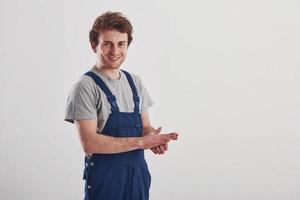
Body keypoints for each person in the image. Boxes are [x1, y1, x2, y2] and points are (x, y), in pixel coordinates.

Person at [64, 11, 179, 200]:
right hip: (106, 182)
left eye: (121, 44)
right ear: (94, 45)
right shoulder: (85, 87)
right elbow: (89, 143)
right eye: (107, 43)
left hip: (138, 178)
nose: (115, 51)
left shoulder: (135, 82)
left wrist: (152, 137)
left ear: (127, 45)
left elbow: (144, 126)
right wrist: (142, 142)